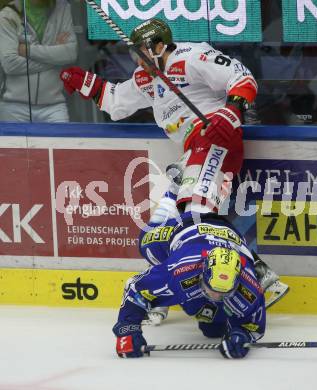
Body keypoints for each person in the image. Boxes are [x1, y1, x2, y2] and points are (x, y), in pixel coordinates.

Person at [60, 18, 257, 214]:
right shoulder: (146, 76)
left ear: (160, 46)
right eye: (134, 54)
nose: (138, 60)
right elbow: (116, 101)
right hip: (191, 150)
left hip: (215, 139)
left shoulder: (191, 57)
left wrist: (229, 114)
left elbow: (242, 77)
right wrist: (84, 82)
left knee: (196, 210)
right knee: (167, 218)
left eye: (141, 52)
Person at [135, 164, 289, 326]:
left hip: (200, 221)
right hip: (198, 224)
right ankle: (259, 270)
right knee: (163, 240)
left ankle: (259, 270)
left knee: (183, 235)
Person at [113, 219, 266, 359]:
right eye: (212, 289)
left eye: (223, 293)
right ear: (202, 272)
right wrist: (128, 330)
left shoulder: (250, 287)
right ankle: (158, 272)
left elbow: (254, 327)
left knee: (213, 330)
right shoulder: (180, 271)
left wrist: (241, 335)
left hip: (232, 235)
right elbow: (136, 287)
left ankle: (260, 267)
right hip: (187, 226)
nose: (215, 296)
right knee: (146, 242)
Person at [0, 0, 78, 122]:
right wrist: (55, 57)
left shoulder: (62, 8)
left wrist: (28, 51)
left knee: (63, 141)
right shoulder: (8, 14)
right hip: (14, 107)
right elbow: (10, 64)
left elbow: (70, 53)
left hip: (54, 106)